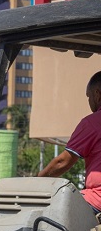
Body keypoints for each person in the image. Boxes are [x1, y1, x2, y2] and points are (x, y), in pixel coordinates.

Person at [39, 70, 101, 214]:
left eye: (89, 96)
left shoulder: (92, 122)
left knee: (42, 215)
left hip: (96, 201)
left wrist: (37, 180)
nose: (89, 101)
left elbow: (62, 162)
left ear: (98, 94)